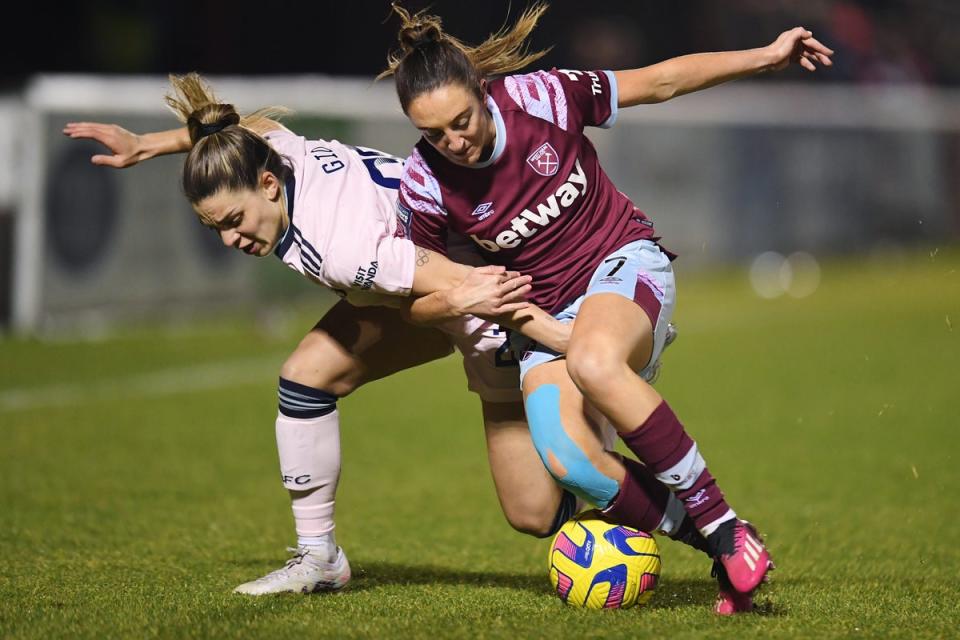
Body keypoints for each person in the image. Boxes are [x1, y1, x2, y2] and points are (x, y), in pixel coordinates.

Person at [63, 72, 706, 596]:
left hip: (484, 302)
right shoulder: (272, 155)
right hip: (430, 297)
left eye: (233, 220)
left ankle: (711, 528)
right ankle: (320, 559)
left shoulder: (345, 247)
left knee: (574, 462)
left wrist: (569, 342)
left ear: (266, 186)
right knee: (533, 514)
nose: (231, 238)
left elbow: (449, 282)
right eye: (215, 230)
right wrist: (150, 145)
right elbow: (242, 128)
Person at [380, 1, 833, 614]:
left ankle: (724, 524)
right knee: (568, 464)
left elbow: (661, 81)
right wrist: (458, 297)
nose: (453, 142)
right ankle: (720, 549)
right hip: (542, 322)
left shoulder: (542, 97)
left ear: (482, 91)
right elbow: (414, 301)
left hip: (624, 266)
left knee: (594, 360)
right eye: (433, 133)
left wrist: (766, 56)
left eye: (461, 120)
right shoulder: (424, 182)